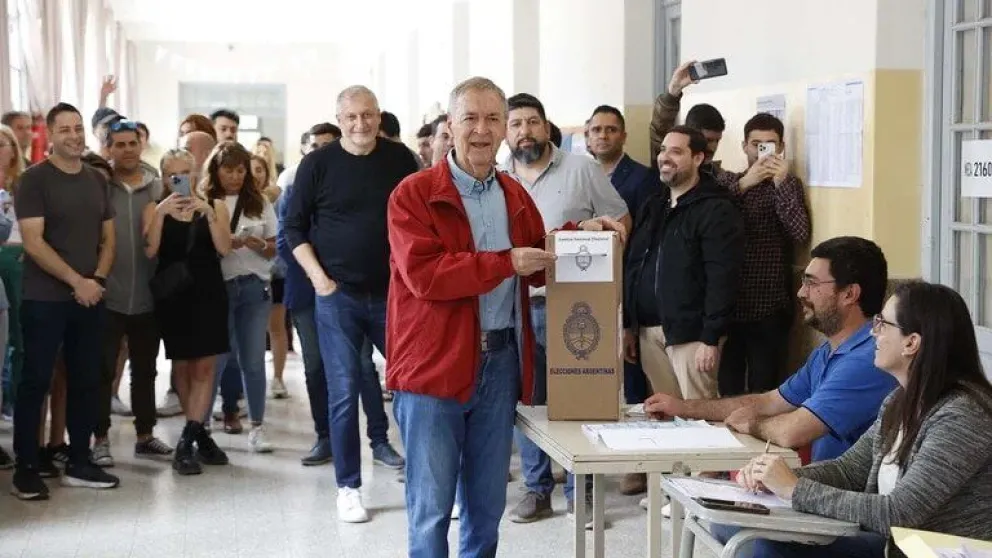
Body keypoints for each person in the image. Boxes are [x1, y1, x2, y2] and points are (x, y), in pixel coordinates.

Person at [386, 76, 625, 557]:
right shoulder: (413, 194)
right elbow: (425, 275)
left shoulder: (514, 194)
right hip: (432, 370)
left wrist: (580, 234)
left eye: (492, 118)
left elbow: (535, 259)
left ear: (503, 130)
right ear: (449, 127)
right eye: (469, 118)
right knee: (431, 510)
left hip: (499, 367)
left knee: (486, 505)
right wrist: (505, 263)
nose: (481, 129)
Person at [727, 281, 992, 557]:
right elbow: (849, 471)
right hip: (892, 543)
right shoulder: (897, 402)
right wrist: (772, 478)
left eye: (882, 324)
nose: (873, 332)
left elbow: (899, 512)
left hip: (928, 551)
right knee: (733, 528)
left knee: (766, 546)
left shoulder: (963, 415)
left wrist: (794, 488)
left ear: (911, 342)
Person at [645, 236, 898, 462]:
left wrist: (752, 424)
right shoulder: (827, 352)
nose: (800, 292)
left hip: (842, 504)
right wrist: (683, 408)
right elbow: (769, 401)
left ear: (849, 294)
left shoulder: (869, 359)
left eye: (811, 283)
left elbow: (794, 431)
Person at [283, 86, 413, 523]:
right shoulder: (317, 164)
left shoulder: (399, 160)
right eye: (352, 116)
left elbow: (420, 221)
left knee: (415, 390)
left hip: (394, 296)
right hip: (337, 297)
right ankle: (348, 487)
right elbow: (293, 228)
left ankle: (425, 479)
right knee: (344, 393)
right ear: (339, 118)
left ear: (379, 116)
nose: (361, 124)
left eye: (369, 115)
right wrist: (319, 280)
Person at [500, 92, 630, 523]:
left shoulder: (582, 168)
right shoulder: (498, 179)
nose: (525, 131)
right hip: (517, 305)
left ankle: (582, 491)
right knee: (528, 401)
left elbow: (619, 220)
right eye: (515, 124)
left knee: (578, 399)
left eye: (532, 122)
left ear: (546, 124)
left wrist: (601, 249)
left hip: (577, 305)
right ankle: (537, 489)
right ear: (505, 131)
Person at [11, 103, 119, 500]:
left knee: (86, 379)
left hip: (90, 297)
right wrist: (77, 280)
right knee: (36, 379)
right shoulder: (35, 180)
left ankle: (79, 460)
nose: (74, 136)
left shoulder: (95, 179)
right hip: (45, 298)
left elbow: (109, 239)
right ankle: (26, 466)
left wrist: (98, 280)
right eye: (65, 130)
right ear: (50, 136)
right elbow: (34, 242)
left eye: (78, 128)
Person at [144, 148, 232, 475]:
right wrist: (162, 212)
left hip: (208, 291)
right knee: (181, 366)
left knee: (205, 367)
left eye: (186, 172)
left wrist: (208, 212)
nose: (180, 179)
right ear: (164, 177)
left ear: (196, 174)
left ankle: (187, 439)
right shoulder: (155, 208)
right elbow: (150, 250)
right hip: (174, 296)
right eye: (173, 174)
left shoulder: (216, 206)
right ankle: (199, 434)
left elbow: (224, 248)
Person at [93, 119, 173, 468]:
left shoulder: (158, 189)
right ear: (108, 148)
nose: (126, 150)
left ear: (142, 145)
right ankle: (100, 438)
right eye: (119, 144)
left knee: (145, 370)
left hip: (147, 296)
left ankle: (145, 435)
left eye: (132, 144)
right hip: (107, 295)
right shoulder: (99, 186)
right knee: (102, 370)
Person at [717, 113, 811, 396]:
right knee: (728, 386)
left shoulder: (788, 185)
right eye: (756, 144)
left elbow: (800, 232)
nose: (762, 152)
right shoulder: (727, 183)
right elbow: (713, 221)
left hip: (769, 305)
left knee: (764, 385)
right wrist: (746, 183)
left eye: (770, 145)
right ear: (744, 146)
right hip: (728, 304)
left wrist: (781, 184)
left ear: (781, 147)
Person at [204, 142, 277, 453]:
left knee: (253, 361)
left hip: (254, 287)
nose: (234, 176)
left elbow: (275, 247)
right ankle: (202, 425)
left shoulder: (259, 202)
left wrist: (254, 242)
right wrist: (226, 242)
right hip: (219, 288)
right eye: (227, 170)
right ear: (215, 171)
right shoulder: (206, 201)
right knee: (216, 361)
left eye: (239, 170)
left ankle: (257, 427)